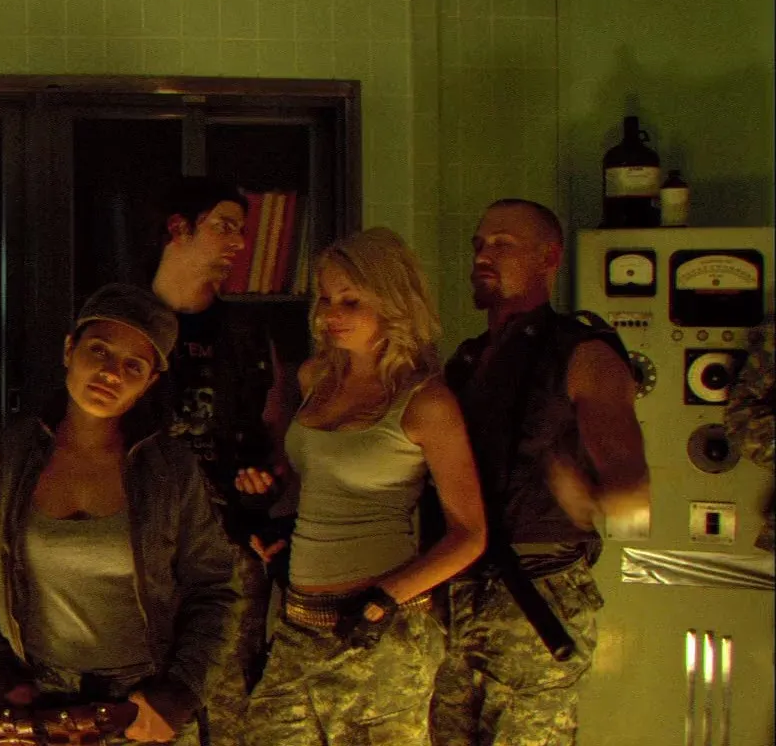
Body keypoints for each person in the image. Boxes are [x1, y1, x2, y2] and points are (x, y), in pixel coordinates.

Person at [0, 283, 240, 745]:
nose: (110, 373)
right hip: (37, 704)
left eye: (133, 366)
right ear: (69, 349)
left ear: (150, 382)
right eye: (99, 350)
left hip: (142, 706)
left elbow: (214, 588)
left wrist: (178, 694)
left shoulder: (170, 469)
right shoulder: (5, 459)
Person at [235, 227, 487, 743]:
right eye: (326, 299)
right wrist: (268, 498)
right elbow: (315, 481)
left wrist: (386, 598)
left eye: (351, 301)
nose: (331, 314)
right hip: (300, 620)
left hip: (380, 627)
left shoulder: (425, 401)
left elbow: (470, 533)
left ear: (393, 303)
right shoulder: (315, 378)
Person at [430, 199, 650, 746]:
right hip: (455, 591)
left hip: (538, 594)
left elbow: (632, 499)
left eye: (502, 244)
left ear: (549, 258)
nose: (483, 255)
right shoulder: (467, 360)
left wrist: (579, 496)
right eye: (479, 245)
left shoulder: (583, 354)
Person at [137, 177, 294, 746]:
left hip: (229, 549)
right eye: (224, 226)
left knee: (224, 707)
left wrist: (264, 487)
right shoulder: (123, 328)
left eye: (243, 231)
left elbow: (279, 441)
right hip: (140, 553)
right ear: (179, 228)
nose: (239, 243)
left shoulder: (248, 337)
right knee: (143, 709)